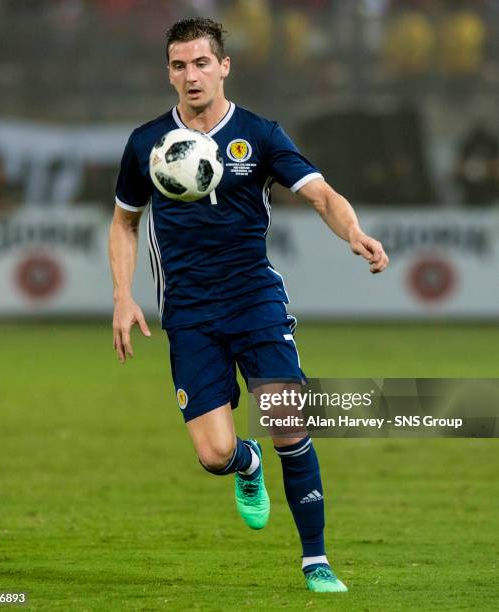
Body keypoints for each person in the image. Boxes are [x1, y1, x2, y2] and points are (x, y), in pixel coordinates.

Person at [109, 17, 389, 594]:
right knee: (213, 455)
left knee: (289, 420)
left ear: (224, 66)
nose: (191, 75)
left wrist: (353, 231)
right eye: (179, 65)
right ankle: (246, 464)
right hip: (188, 313)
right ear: (169, 72)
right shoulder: (147, 145)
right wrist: (121, 295)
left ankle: (316, 560)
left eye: (201, 63)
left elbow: (319, 193)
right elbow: (124, 221)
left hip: (254, 299)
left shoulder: (259, 135)